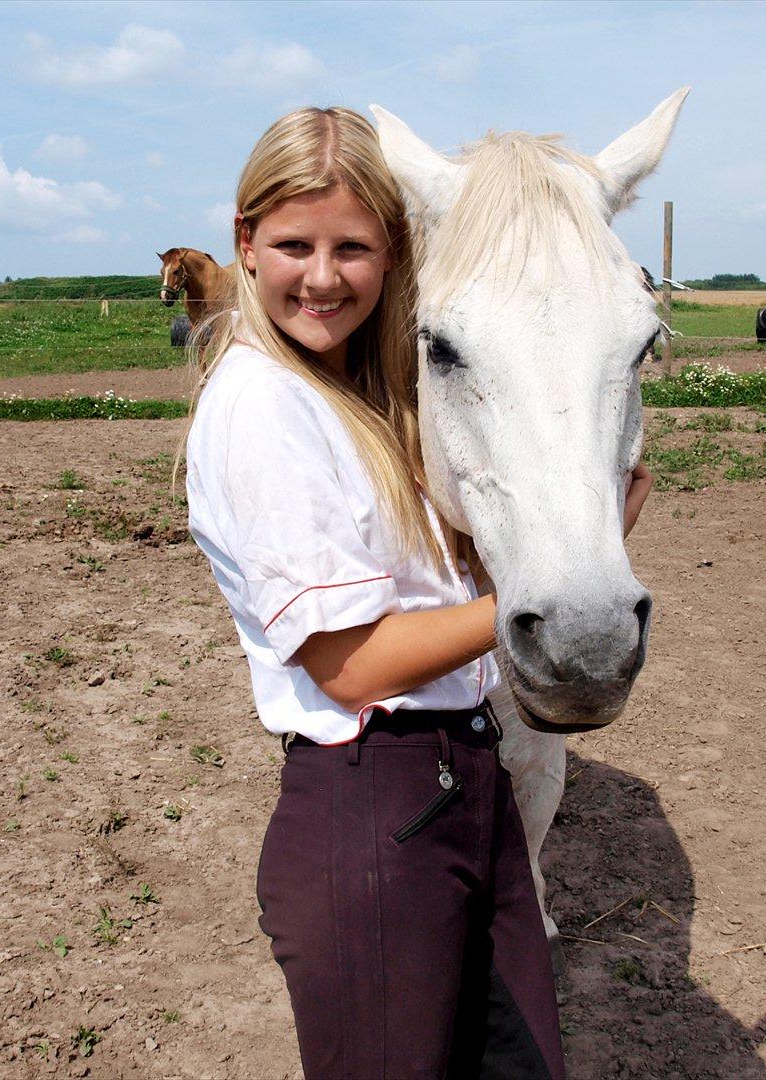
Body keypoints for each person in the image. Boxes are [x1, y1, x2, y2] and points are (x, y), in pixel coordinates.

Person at [181, 106, 651, 1080]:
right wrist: (530, 594)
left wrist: (569, 537)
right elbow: (348, 665)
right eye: (293, 245)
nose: (322, 276)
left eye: (352, 247)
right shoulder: (261, 408)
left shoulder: (361, 395)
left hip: (463, 778)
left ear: (391, 254)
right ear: (244, 243)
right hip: (373, 812)